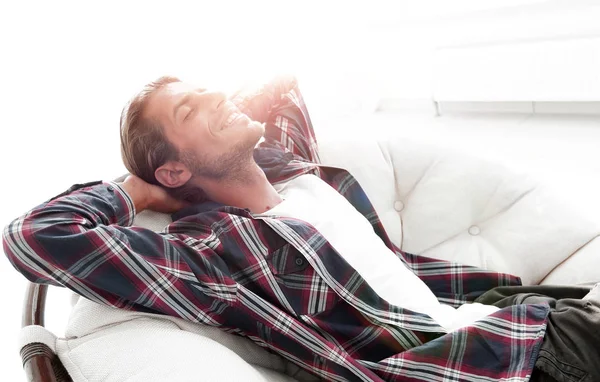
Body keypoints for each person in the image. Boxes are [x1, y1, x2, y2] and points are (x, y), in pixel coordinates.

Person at [3, 75, 599, 382]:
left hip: (509, 315)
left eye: (207, 88)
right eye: (190, 110)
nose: (213, 96)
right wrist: (136, 189)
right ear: (175, 166)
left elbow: (279, 86)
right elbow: (35, 235)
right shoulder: (217, 251)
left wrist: (206, 109)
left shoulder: (298, 179)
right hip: (495, 361)